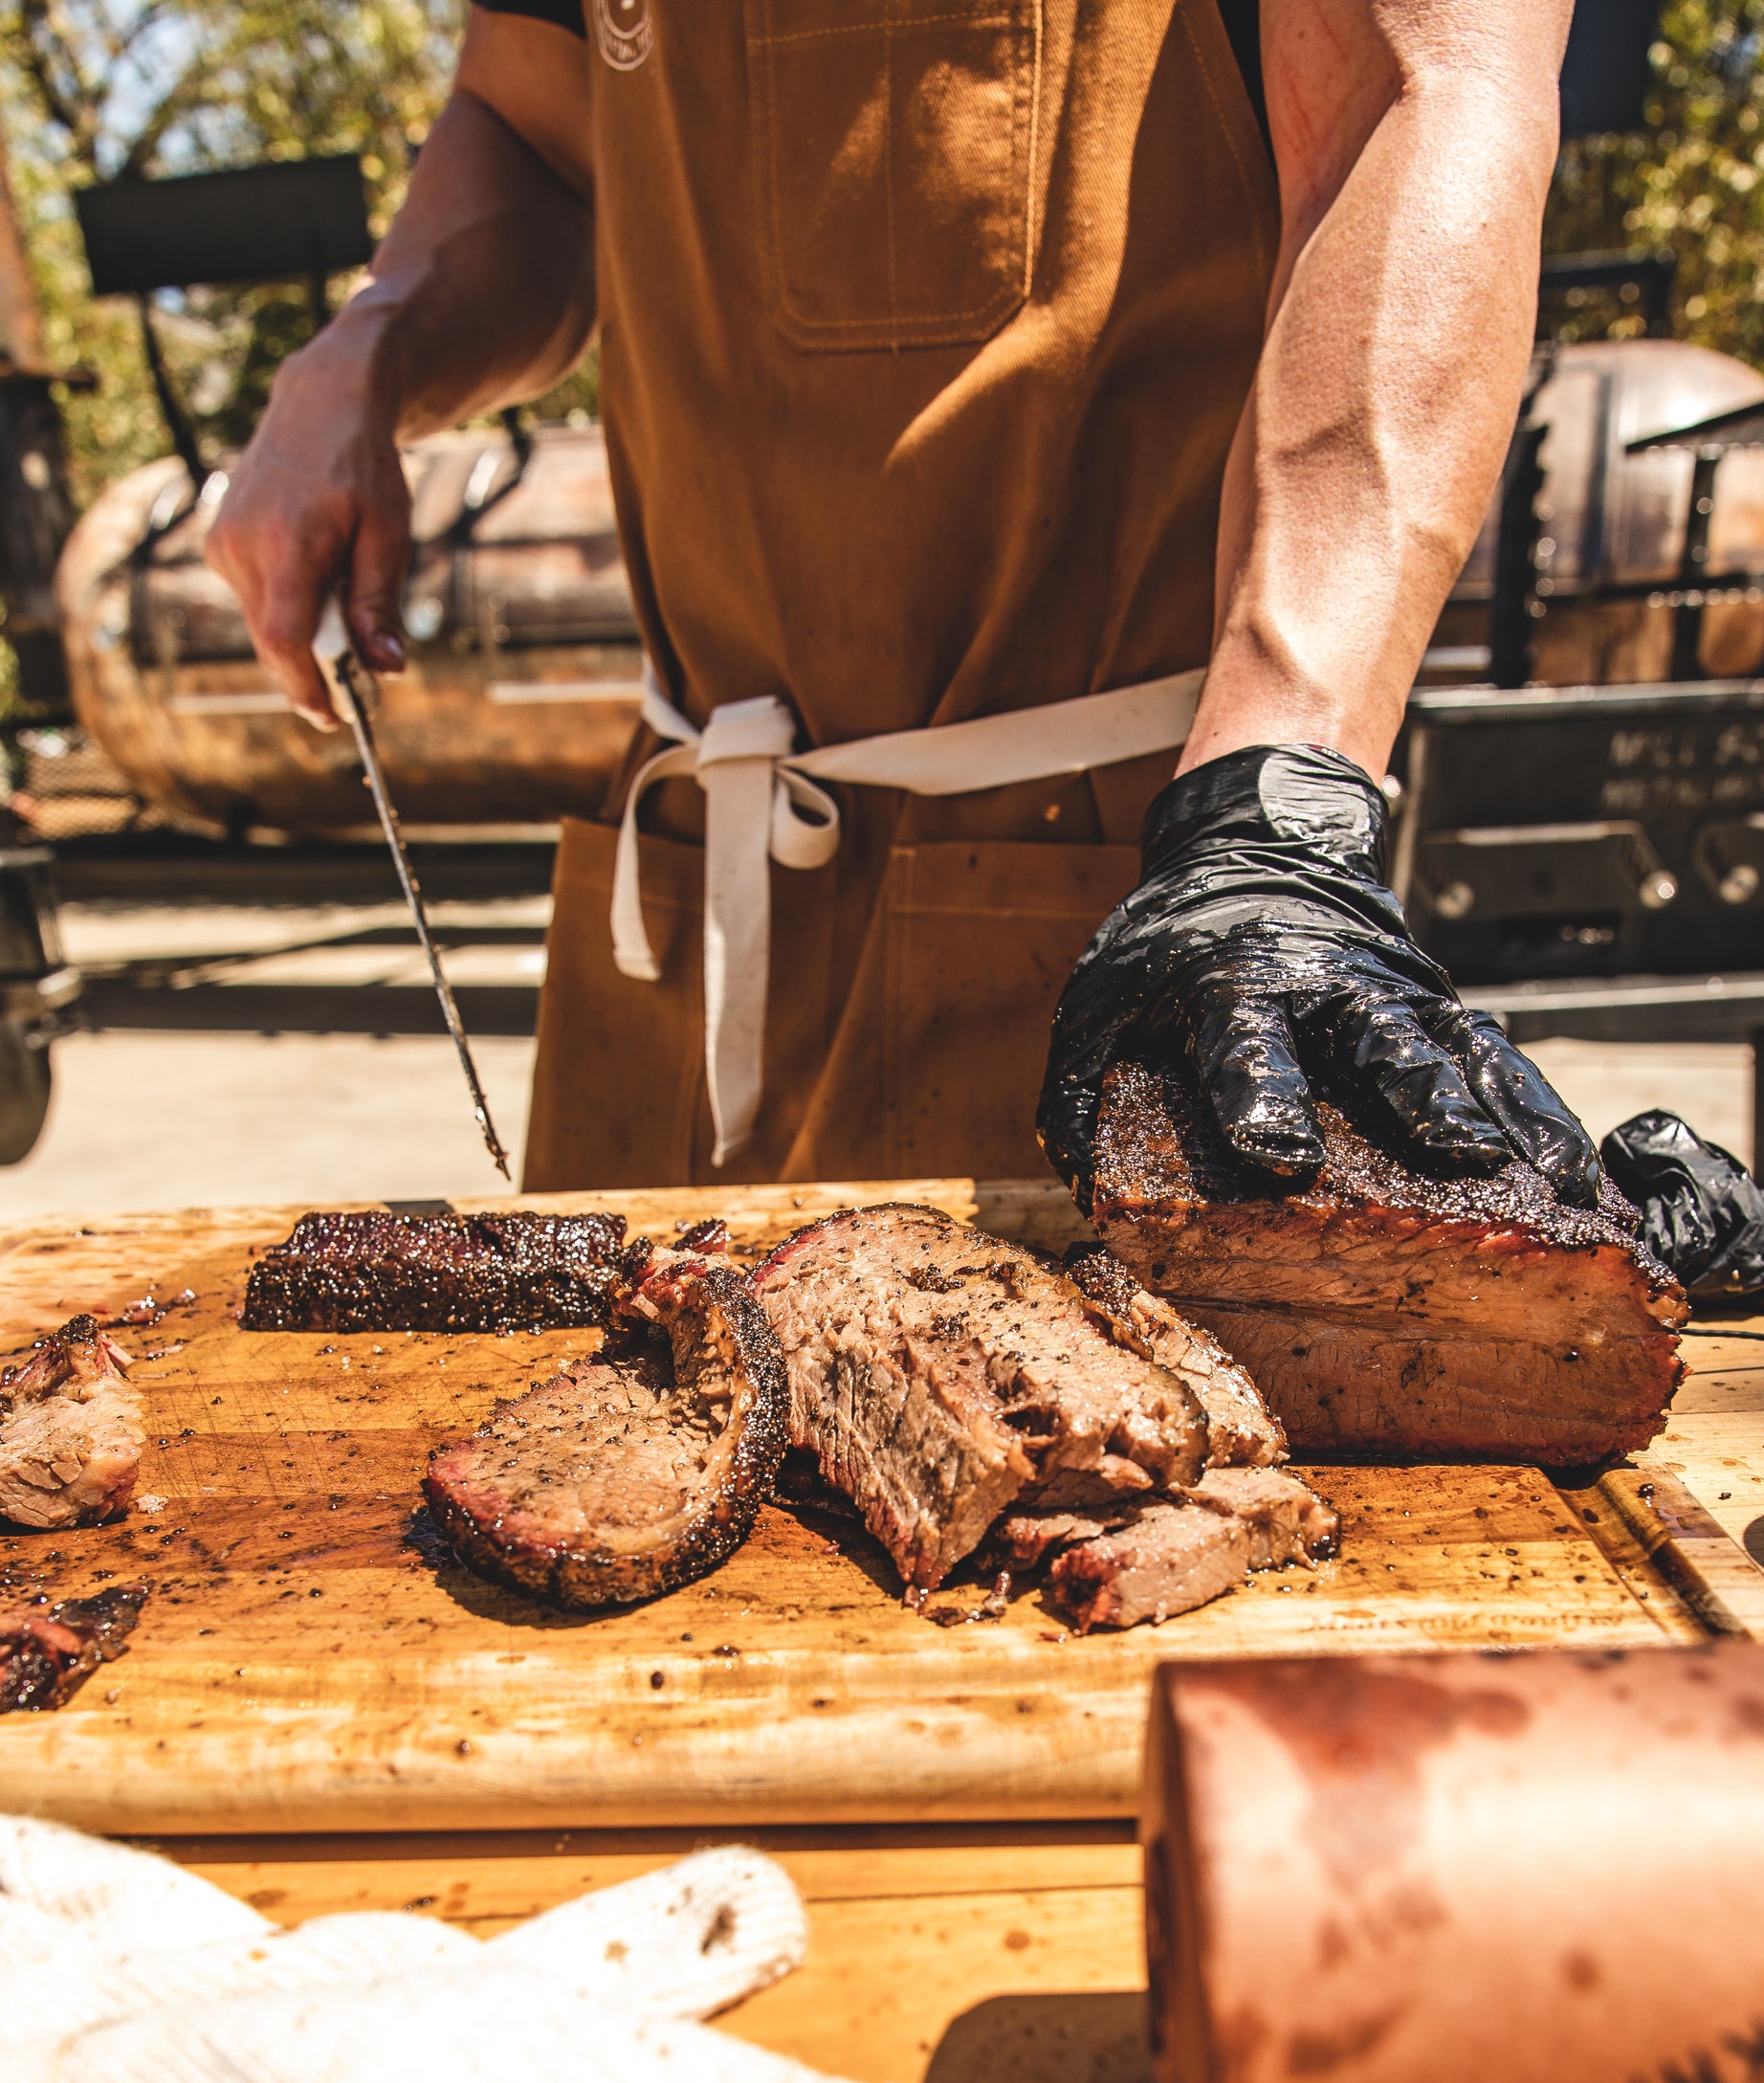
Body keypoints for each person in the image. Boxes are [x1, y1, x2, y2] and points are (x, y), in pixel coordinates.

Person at [209, 0, 1600, 1207]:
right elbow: (533, 138)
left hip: (1108, 900)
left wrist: (1269, 809)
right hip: (688, 895)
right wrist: (370, 344)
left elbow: (1417, 93)